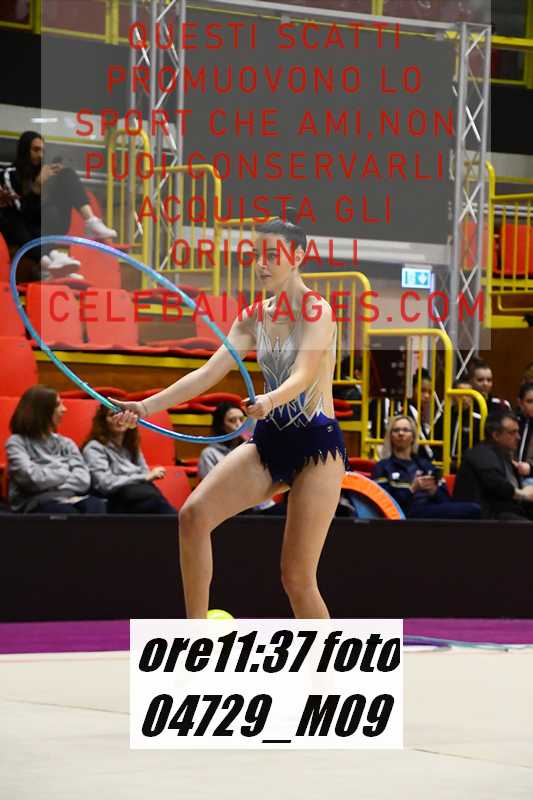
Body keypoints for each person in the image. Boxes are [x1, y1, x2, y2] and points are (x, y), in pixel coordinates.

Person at [111, 209, 349, 618]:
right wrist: (145, 406)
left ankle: (329, 657)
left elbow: (305, 373)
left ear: (298, 256)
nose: (261, 264)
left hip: (317, 447)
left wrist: (270, 400)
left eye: (272, 255)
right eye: (256, 255)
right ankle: (195, 635)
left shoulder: (317, 310)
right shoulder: (252, 317)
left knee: (297, 578)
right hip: (270, 441)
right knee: (193, 516)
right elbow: (207, 374)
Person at [0, 130, 116, 280]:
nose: (40, 155)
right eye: (36, 150)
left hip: (42, 225)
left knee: (67, 174)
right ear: (24, 150)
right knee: (14, 217)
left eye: (43, 151)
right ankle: (50, 264)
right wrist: (37, 186)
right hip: (19, 228)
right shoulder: (9, 174)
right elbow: (21, 211)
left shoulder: (44, 171)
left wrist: (54, 182)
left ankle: (91, 221)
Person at [6, 385, 106, 514]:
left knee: (96, 506)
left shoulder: (66, 443)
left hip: (70, 497)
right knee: (65, 513)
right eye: (58, 405)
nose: (64, 409)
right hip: (36, 501)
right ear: (42, 411)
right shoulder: (16, 442)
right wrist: (65, 471)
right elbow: (32, 479)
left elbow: (83, 480)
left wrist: (49, 479)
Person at [372, 415, 480, 519]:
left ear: (413, 436)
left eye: (405, 430)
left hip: (430, 511)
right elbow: (384, 504)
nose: (401, 433)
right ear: (390, 436)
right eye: (396, 430)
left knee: (474, 509)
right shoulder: (382, 467)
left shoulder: (426, 465)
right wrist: (412, 489)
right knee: (472, 510)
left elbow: (446, 501)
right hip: (405, 514)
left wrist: (434, 491)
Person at [82, 404, 175, 514]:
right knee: (152, 499)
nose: (119, 419)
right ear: (103, 421)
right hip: (115, 498)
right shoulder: (94, 448)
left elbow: (145, 473)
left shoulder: (131, 446)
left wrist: (144, 478)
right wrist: (143, 478)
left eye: (122, 414)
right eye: (112, 415)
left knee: (152, 495)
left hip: (139, 495)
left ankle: (175, 520)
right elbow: (105, 484)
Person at [453, 411, 533, 520]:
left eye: (518, 432)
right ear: (496, 435)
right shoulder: (481, 453)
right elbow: (497, 485)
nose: (518, 437)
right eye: (512, 432)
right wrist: (524, 494)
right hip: (485, 520)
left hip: (506, 515)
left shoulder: (504, 456)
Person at [433, 379, 482, 471]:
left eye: (468, 394)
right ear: (453, 396)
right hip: (443, 466)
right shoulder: (444, 417)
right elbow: (434, 441)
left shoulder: (478, 419)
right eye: (460, 394)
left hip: (468, 469)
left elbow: (480, 448)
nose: (464, 398)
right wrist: (443, 458)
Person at [513, 381, 533, 487]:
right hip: (511, 474)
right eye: (530, 401)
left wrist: (530, 468)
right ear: (520, 403)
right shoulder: (512, 421)